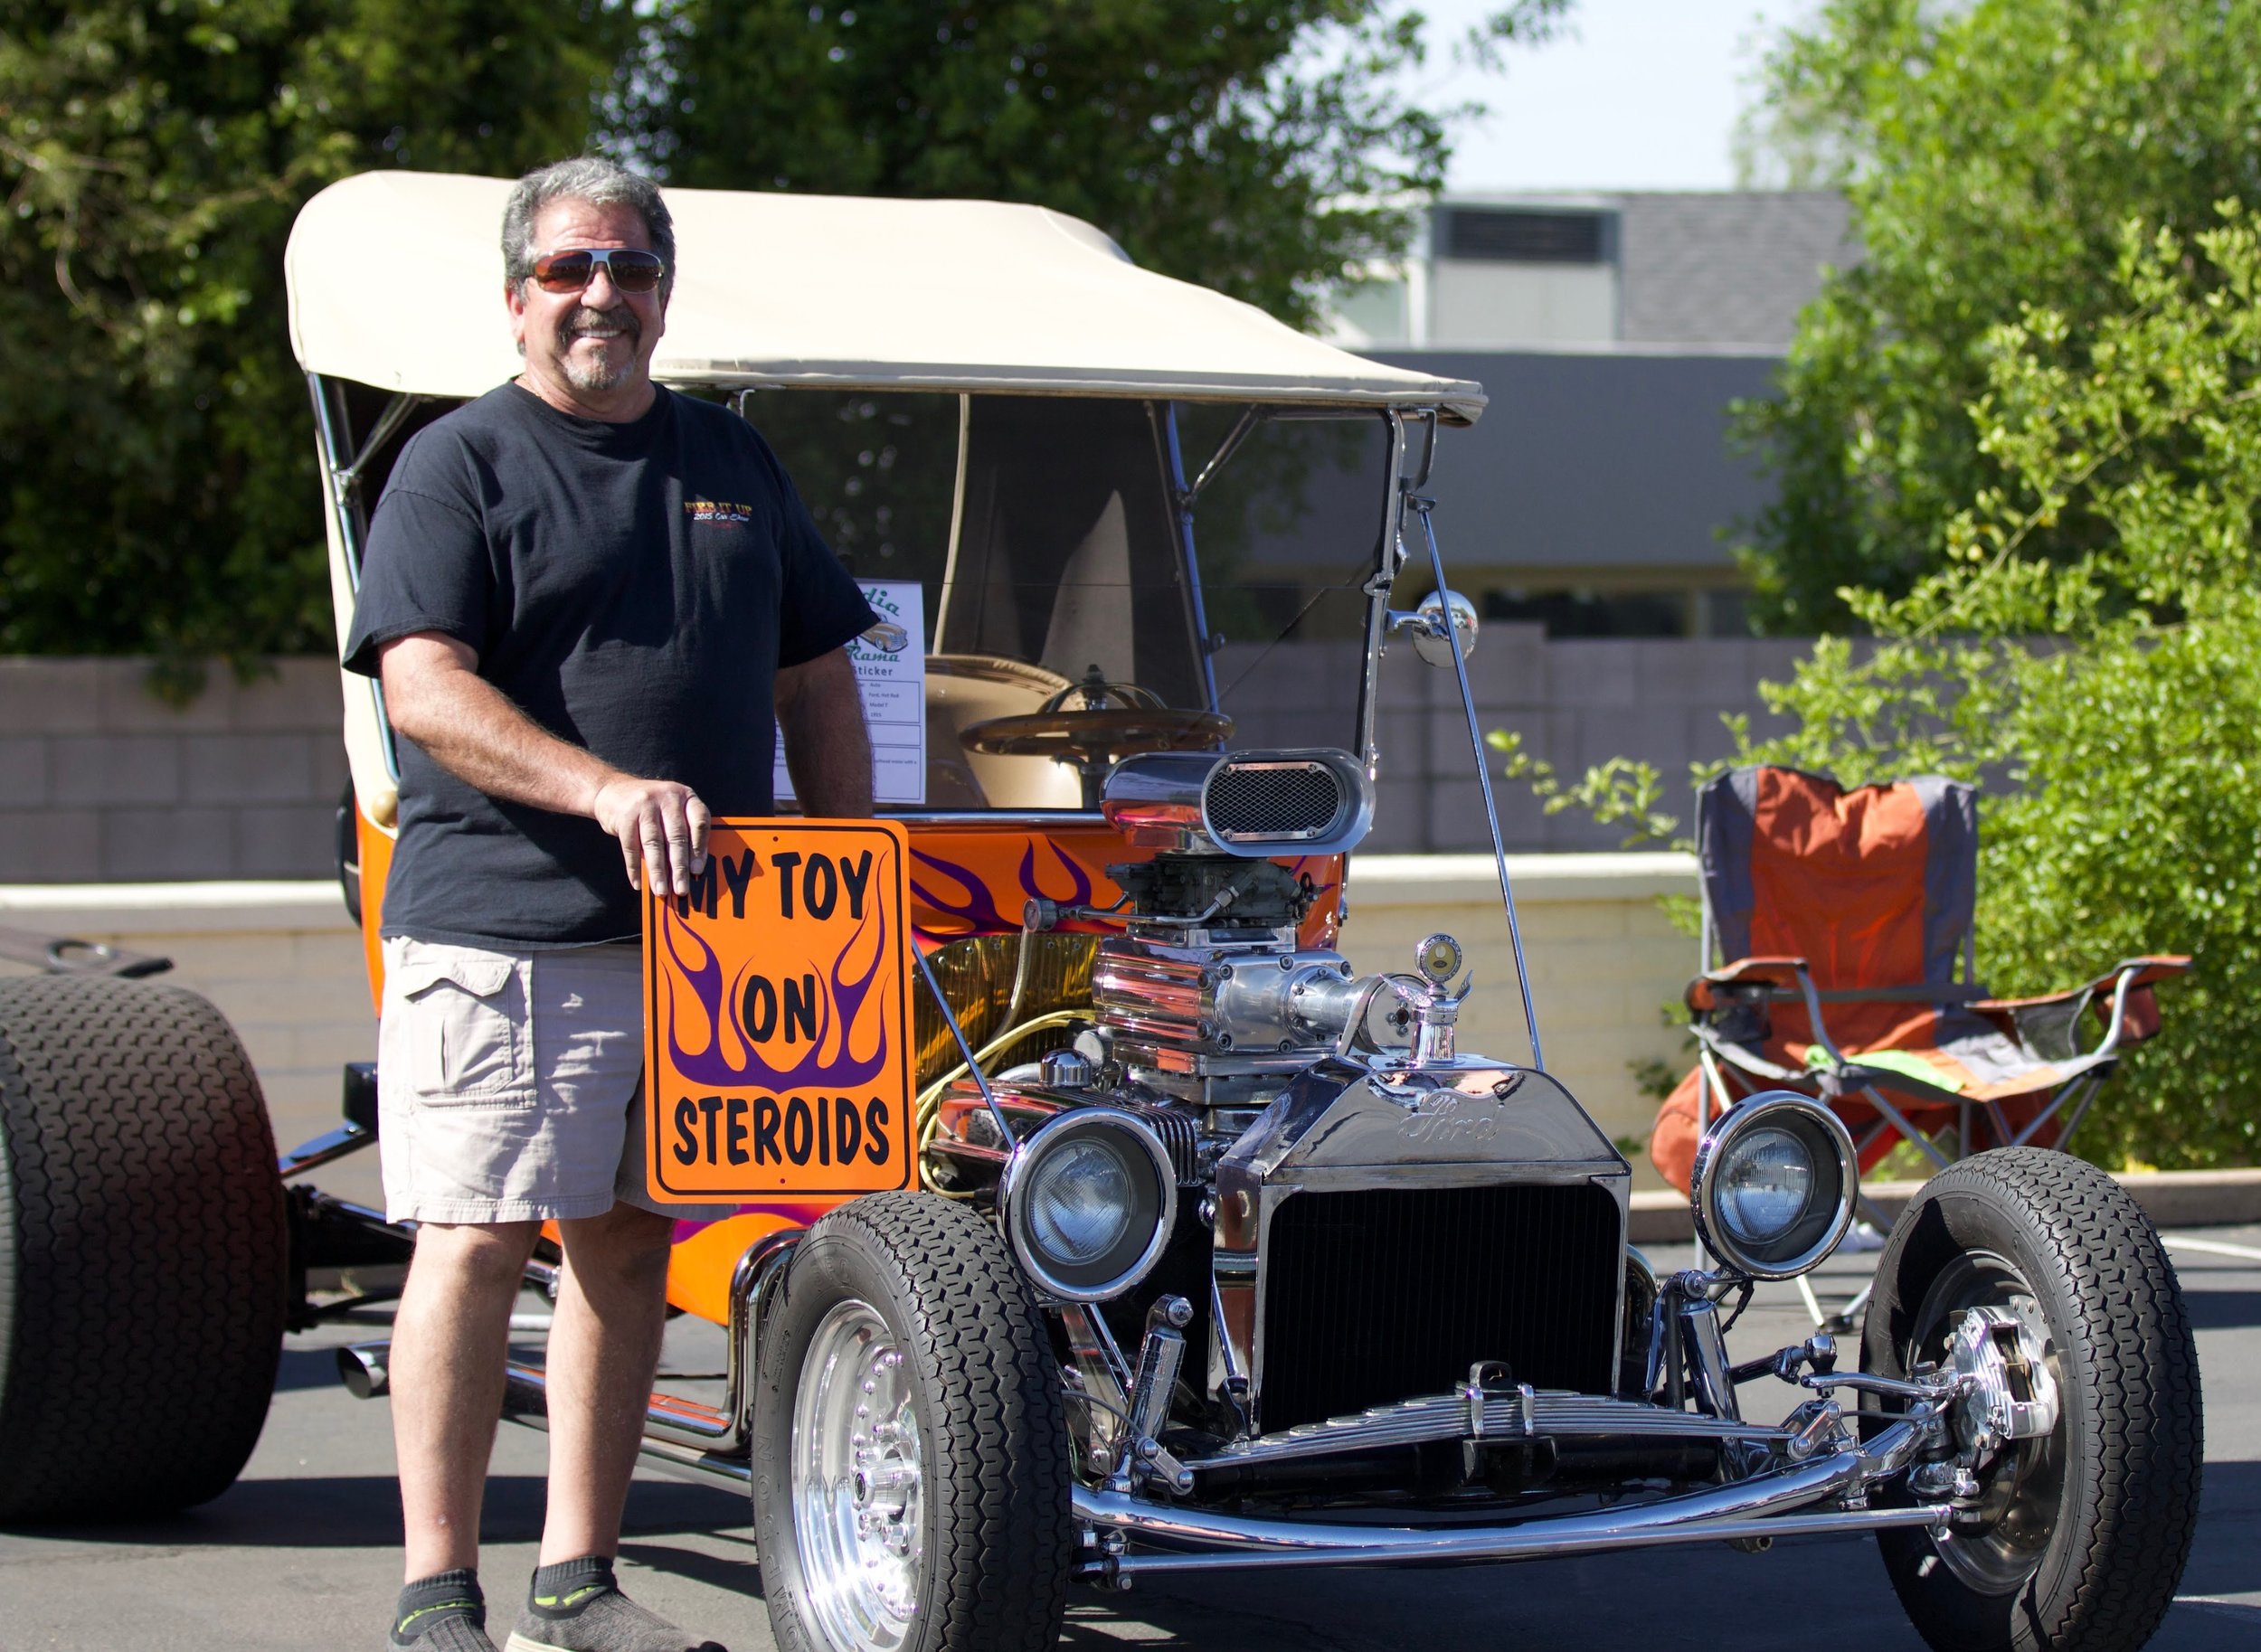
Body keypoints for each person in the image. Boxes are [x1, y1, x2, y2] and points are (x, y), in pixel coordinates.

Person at [343, 156, 877, 1652]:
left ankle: (576, 1582)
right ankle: (435, 1596)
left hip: (707, 949)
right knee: (475, 1239)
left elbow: (814, 671)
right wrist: (600, 791)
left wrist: (844, 886)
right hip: (504, 932)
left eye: (630, 270)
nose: (603, 295)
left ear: (663, 293)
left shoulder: (731, 461)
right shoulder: (459, 463)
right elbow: (423, 689)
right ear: (518, 299)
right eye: (572, 270)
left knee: (629, 1241)